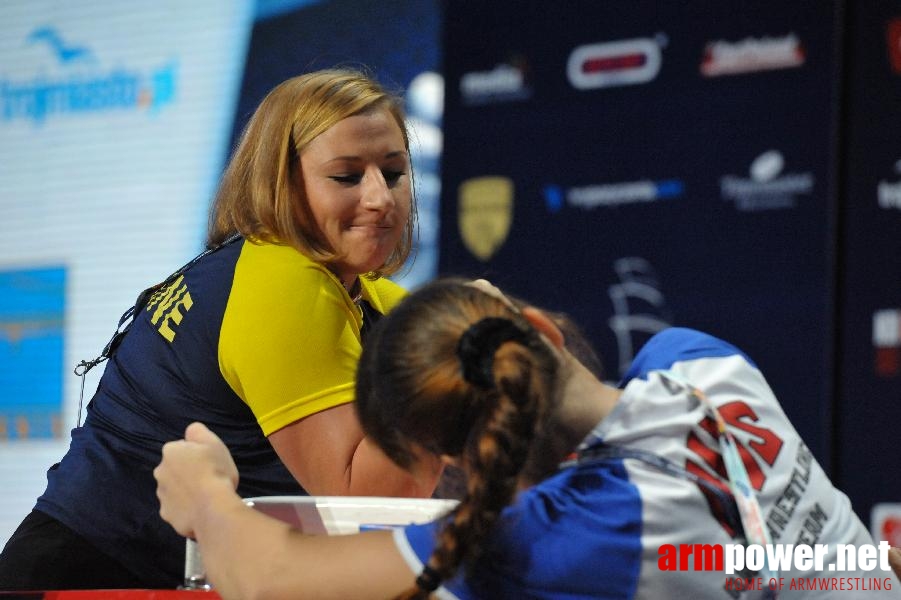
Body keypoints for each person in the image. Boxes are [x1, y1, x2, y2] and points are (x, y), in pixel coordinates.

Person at [153, 278, 900, 599]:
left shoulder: (554, 539)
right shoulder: (699, 359)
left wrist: (206, 494)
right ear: (540, 331)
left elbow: (269, 582)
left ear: (446, 456)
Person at [0, 68, 443, 591]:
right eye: (346, 177)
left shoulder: (364, 295)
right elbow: (373, 503)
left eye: (393, 173)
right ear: (283, 184)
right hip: (91, 579)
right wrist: (453, 369)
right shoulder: (283, 281)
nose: (380, 199)